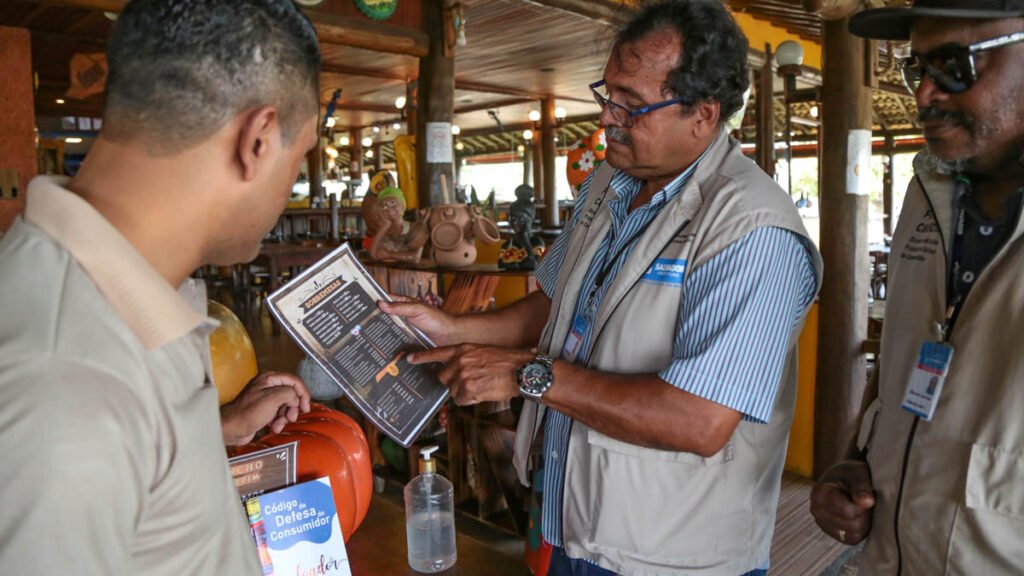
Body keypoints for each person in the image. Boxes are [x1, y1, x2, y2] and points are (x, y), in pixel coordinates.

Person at [383, 1, 822, 573]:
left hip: (666, 553)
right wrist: (457, 328)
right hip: (574, 521)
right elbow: (555, 302)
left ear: (703, 115)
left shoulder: (752, 229)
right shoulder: (609, 185)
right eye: (607, 94)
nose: (608, 119)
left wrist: (524, 374)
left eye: (632, 105)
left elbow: (700, 420)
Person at [0, 0, 320, 573]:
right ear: (259, 141)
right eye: (300, 159)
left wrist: (212, 432)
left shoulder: (126, 297)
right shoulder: (68, 382)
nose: (290, 184)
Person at [810, 2, 1024, 574]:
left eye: (955, 64)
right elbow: (909, 347)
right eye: (918, 70)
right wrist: (857, 457)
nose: (925, 93)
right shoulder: (929, 192)